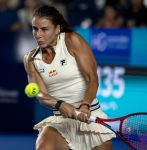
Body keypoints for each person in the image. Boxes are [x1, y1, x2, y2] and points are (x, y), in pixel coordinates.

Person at [23, 5, 115, 150]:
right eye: (35, 28)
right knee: (44, 146)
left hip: (90, 116)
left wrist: (85, 106)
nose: (38, 34)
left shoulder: (72, 40)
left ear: (57, 29)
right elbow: (41, 94)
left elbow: (92, 79)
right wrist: (59, 104)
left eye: (44, 29)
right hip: (61, 121)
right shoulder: (31, 59)